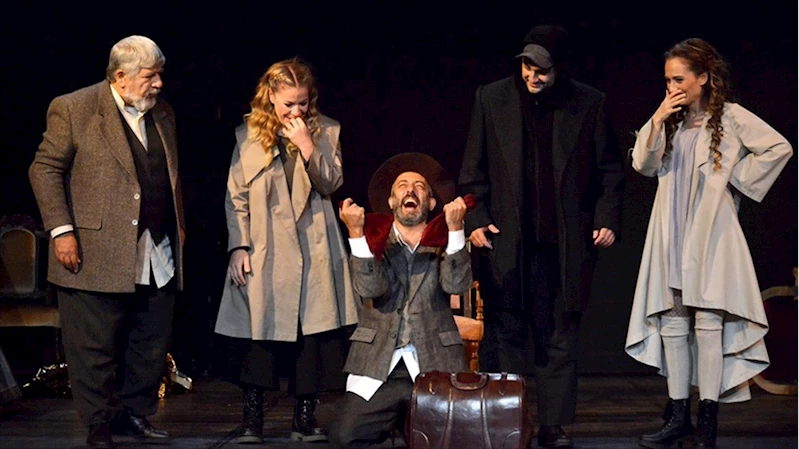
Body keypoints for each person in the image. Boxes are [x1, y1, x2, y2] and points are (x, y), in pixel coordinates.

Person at [458, 24, 625, 449]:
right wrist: (476, 219)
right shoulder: (492, 97)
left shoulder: (588, 102)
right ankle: (506, 423)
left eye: (542, 69)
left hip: (561, 246)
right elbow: (473, 171)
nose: (533, 75)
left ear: (559, 68)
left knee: (558, 337)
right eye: (527, 66)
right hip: (506, 242)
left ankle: (554, 426)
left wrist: (606, 217)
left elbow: (609, 169)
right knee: (505, 334)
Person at [625, 38, 793, 449]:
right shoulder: (670, 121)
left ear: (703, 77)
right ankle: (678, 416)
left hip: (711, 234)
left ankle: (708, 421)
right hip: (671, 233)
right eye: (667, 81)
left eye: (679, 79)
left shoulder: (730, 117)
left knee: (708, 324)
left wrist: (734, 178)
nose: (672, 87)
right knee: (672, 321)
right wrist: (659, 115)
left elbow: (779, 147)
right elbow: (642, 164)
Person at [28, 35, 183, 449]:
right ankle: (99, 422)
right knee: (93, 343)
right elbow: (44, 170)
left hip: (154, 246)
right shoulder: (75, 108)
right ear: (121, 77)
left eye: (160, 75)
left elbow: (166, 175)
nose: (159, 84)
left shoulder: (162, 112)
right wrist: (61, 230)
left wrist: (177, 225)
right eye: (150, 76)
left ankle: (134, 415)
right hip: (94, 248)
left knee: (149, 338)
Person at [213, 58, 359, 444]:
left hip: (314, 247)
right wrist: (238, 246)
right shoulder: (248, 135)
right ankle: (252, 419)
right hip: (265, 248)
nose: (296, 111)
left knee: (311, 337)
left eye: (303, 103)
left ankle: (304, 418)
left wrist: (308, 145)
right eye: (288, 104)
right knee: (257, 336)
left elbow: (330, 183)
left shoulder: (326, 131)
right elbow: (235, 198)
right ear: (271, 98)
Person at [329, 152, 471, 448]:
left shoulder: (446, 241)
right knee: (344, 437)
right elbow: (370, 289)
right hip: (380, 366)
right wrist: (356, 233)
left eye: (420, 186)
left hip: (433, 363)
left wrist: (456, 229)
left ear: (430, 203)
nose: (411, 190)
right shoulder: (372, 240)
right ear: (392, 201)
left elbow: (455, 284)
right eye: (402, 185)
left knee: (449, 442)